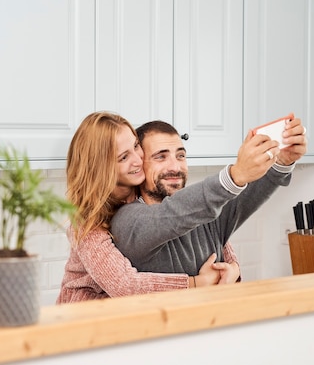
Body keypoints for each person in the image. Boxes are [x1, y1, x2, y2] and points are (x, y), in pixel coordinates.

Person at [56, 112, 240, 304]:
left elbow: (203, 224)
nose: (137, 159)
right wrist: (196, 283)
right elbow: (125, 285)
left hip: (129, 313)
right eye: (124, 157)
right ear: (102, 168)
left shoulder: (145, 191)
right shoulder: (88, 224)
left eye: (136, 146)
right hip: (83, 316)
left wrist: (232, 265)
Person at [110, 118, 307, 275]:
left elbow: (251, 194)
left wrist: (283, 161)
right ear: (139, 165)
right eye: (161, 157)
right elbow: (169, 215)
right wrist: (236, 174)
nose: (175, 167)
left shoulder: (205, 213)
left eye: (180, 155)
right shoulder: (127, 221)